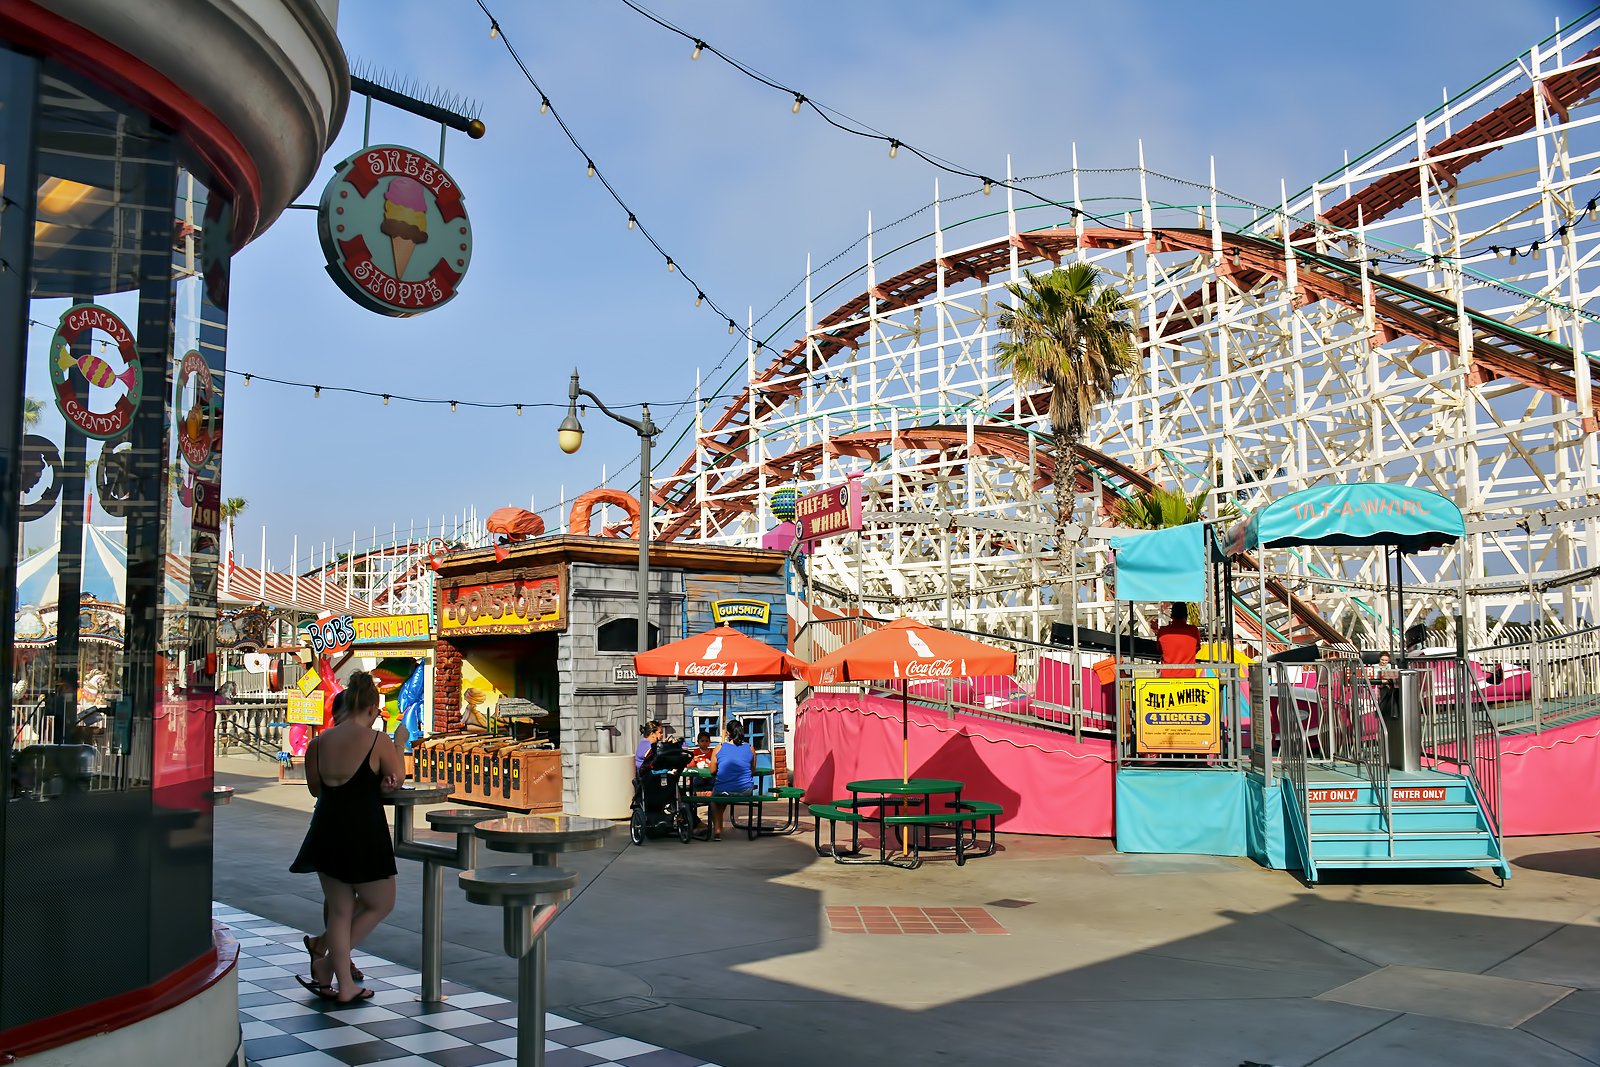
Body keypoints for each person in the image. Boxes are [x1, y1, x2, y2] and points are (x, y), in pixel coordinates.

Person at [290, 672, 403, 1003]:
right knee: (381, 902)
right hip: (364, 831)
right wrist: (398, 741)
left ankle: (336, 977)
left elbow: (315, 789)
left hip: (325, 831)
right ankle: (329, 970)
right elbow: (397, 775)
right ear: (371, 708)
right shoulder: (377, 741)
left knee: (339, 911)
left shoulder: (318, 744)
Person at [708, 719, 755, 842]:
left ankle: (717, 829)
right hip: (746, 790)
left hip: (724, 789)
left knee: (715, 798)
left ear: (728, 733)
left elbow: (712, 771)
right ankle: (719, 826)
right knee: (723, 795)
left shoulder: (719, 747)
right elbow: (753, 770)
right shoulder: (750, 748)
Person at [1156, 603, 1203, 678]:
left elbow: (1159, 650)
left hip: (1167, 676)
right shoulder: (1193, 630)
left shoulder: (1163, 631)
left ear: (1172, 615)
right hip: (1189, 676)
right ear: (1186, 616)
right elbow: (1197, 648)